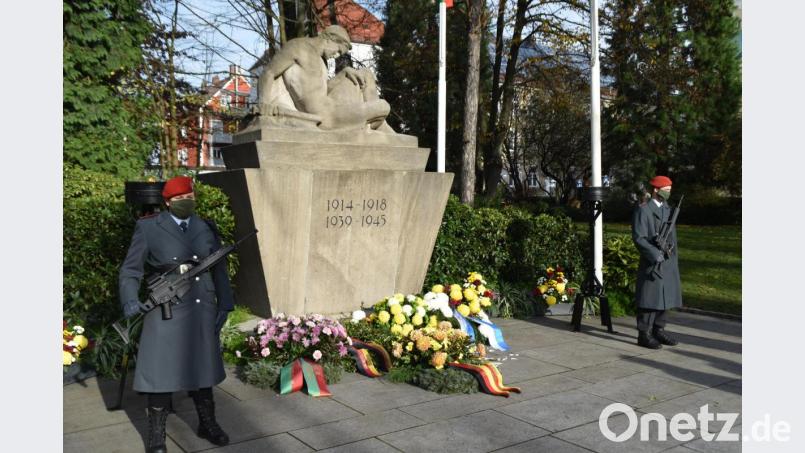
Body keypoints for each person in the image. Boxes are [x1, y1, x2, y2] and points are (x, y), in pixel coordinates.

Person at [119, 176, 234, 453]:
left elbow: (219, 267)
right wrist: (130, 301)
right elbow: (130, 270)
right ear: (168, 202)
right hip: (165, 307)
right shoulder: (149, 228)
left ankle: (208, 424)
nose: (186, 203)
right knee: (161, 372)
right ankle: (157, 436)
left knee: (202, 370)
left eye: (189, 198)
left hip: (199, 306)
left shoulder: (206, 227)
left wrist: (225, 304)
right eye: (180, 199)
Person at [256, 24, 394, 132]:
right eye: (338, 50)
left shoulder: (321, 62)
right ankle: (379, 127)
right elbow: (268, 73)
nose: (337, 55)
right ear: (331, 39)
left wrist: (344, 73)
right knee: (383, 106)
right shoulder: (298, 47)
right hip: (327, 118)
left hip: (334, 108)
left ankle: (380, 127)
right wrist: (264, 103)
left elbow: (322, 90)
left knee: (366, 73)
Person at [631, 175, 682, 349]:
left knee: (665, 296)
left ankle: (658, 329)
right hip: (652, 260)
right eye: (666, 190)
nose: (668, 193)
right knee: (649, 298)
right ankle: (644, 334)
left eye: (669, 190)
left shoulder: (668, 209)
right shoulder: (643, 210)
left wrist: (671, 255)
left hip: (667, 260)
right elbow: (639, 238)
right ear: (655, 190)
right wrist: (654, 254)